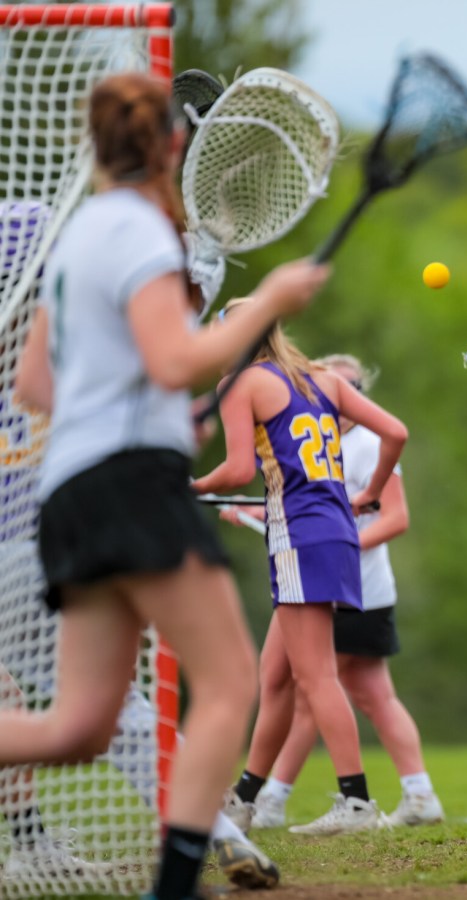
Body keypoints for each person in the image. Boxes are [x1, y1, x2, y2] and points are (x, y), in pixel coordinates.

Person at [8, 72, 327, 900]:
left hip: (70, 489)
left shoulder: (76, 235)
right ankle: (176, 886)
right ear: (175, 146)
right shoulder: (143, 231)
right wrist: (268, 303)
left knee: (80, 726)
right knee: (228, 684)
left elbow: (37, 382)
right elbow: (175, 358)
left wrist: (158, 412)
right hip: (129, 485)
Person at [191, 302, 408, 838]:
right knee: (276, 676)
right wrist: (371, 492)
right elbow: (396, 432)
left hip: (299, 536)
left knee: (316, 678)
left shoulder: (240, 383)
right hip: (335, 531)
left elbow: (237, 469)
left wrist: (188, 487)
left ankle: (355, 801)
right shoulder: (322, 378)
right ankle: (244, 799)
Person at [222, 353, 443, 830]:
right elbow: (305, 498)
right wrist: (257, 511)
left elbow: (394, 517)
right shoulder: (318, 439)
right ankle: (417, 794)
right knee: (349, 690)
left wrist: (333, 543)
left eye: (348, 390)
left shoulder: (364, 444)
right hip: (326, 570)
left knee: (313, 689)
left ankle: (274, 799)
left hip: (346, 580)